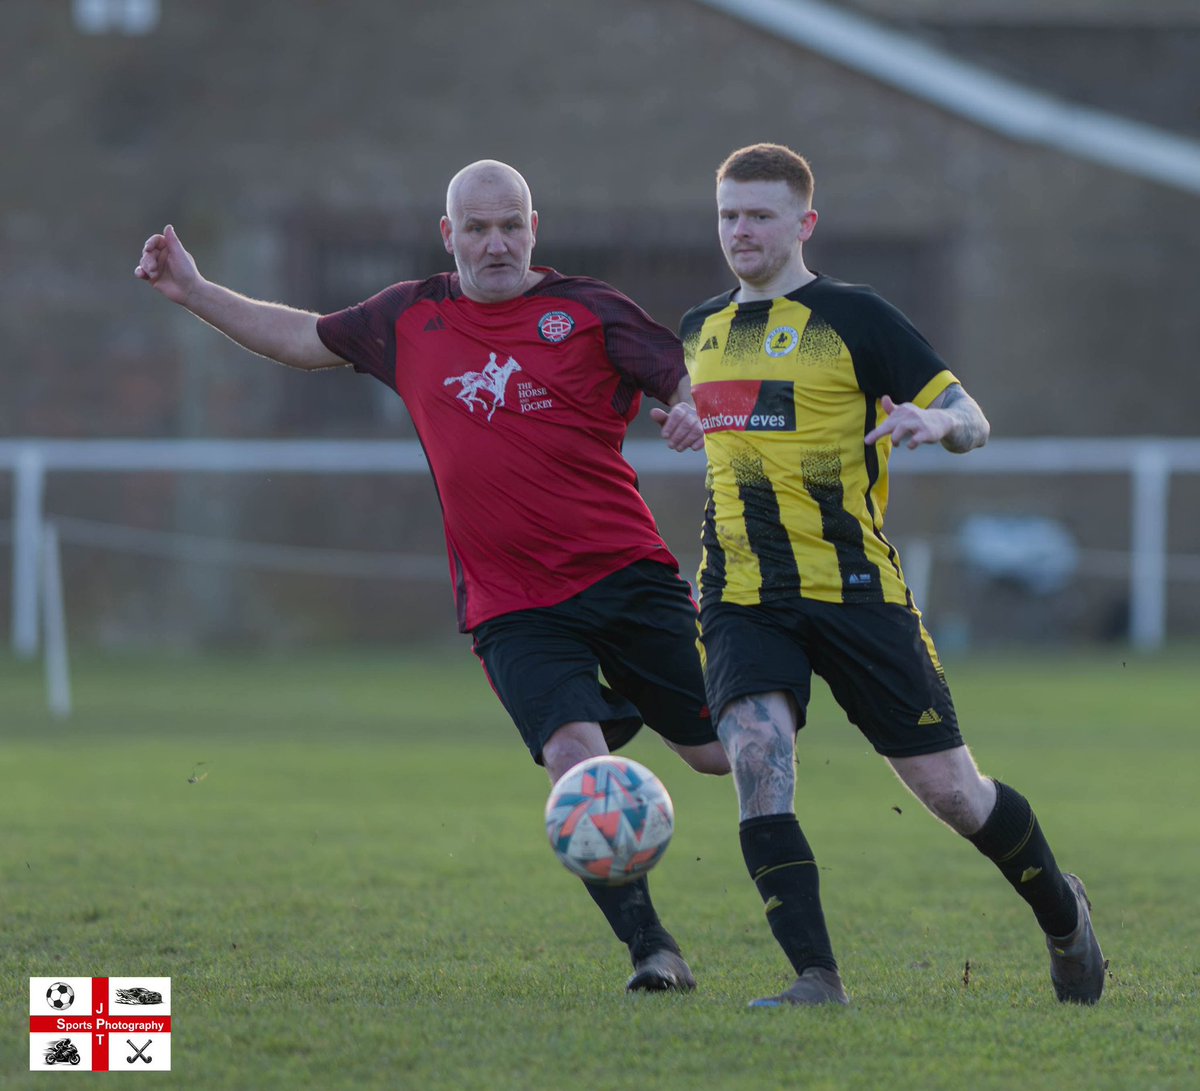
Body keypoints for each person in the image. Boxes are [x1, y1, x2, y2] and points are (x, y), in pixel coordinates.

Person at [136, 159, 730, 993]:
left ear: (535, 228)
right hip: (513, 604)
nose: (496, 243)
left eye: (510, 225)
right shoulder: (408, 317)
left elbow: (678, 372)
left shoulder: (588, 311)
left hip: (627, 573)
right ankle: (652, 950)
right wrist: (196, 291)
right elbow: (303, 338)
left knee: (715, 754)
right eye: (477, 228)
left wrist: (695, 405)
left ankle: (667, 701)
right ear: (449, 236)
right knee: (574, 760)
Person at [680, 143, 1104, 1007]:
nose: (740, 231)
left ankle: (1065, 917)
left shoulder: (854, 315)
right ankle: (816, 977)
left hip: (856, 592)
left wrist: (935, 425)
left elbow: (973, 418)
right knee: (758, 755)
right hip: (742, 594)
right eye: (728, 214)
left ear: (805, 223)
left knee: (952, 792)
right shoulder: (699, 330)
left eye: (759, 214)